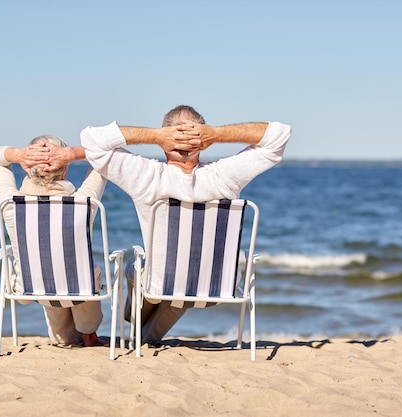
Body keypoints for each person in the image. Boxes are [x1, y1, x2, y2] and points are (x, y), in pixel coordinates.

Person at [40, 105, 292, 345]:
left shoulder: (146, 176)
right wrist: (217, 134)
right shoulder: (224, 176)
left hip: (159, 284)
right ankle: (145, 334)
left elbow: (93, 139)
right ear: (202, 142)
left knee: (136, 266)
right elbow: (279, 135)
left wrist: (156, 136)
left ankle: (135, 322)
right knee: (187, 272)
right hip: (217, 285)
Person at [0, 134, 107, 347]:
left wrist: (17, 154)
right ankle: (89, 334)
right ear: (65, 168)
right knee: (83, 271)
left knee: (61, 335)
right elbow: (105, 155)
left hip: (30, 285)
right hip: (80, 286)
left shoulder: (10, 205)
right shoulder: (82, 203)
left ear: (26, 167)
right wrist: (71, 154)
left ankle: (66, 336)